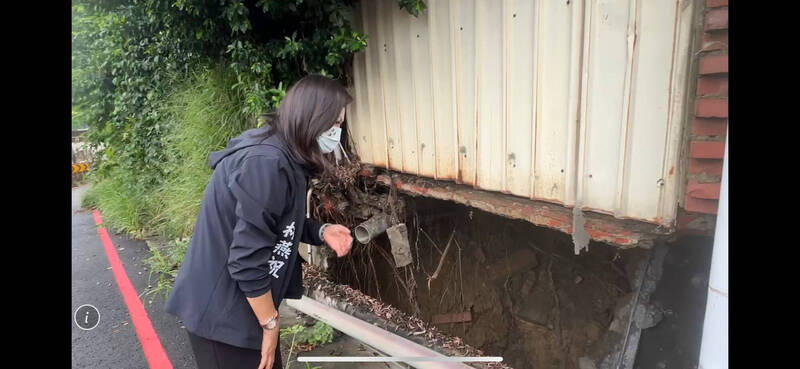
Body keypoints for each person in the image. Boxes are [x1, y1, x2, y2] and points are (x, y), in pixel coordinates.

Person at [165, 75, 355, 369]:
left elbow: (274, 222)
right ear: (312, 119)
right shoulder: (267, 164)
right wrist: (270, 324)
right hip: (223, 315)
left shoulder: (283, 154)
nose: (337, 132)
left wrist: (321, 230)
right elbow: (245, 258)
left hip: (243, 305)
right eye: (335, 124)